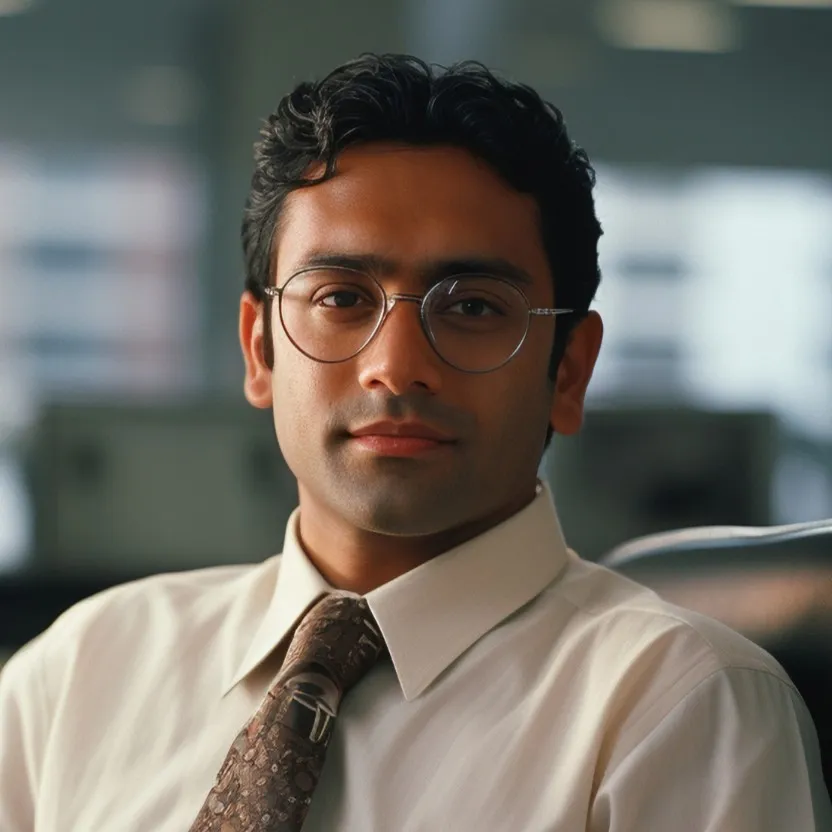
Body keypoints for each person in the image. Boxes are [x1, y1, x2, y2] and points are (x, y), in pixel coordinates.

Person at [0, 53, 829, 832]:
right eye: (340, 298)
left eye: (470, 307)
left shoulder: (678, 706)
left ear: (568, 370)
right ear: (260, 349)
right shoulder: (79, 673)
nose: (396, 369)